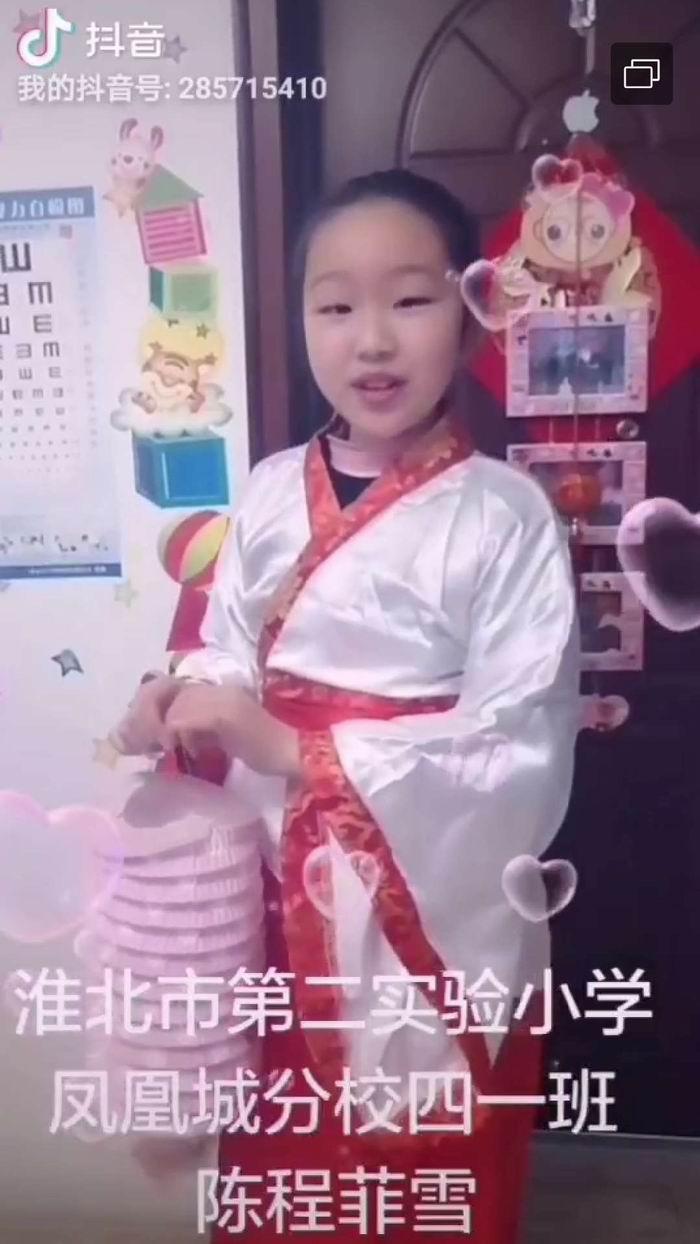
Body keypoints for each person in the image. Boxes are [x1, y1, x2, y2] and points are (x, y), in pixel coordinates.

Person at [113, 169, 580, 1242]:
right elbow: (230, 650)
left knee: (421, 1185)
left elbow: (519, 744)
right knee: (282, 1169)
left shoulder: (505, 515)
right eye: (335, 305)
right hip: (277, 901)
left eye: (410, 299)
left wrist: (297, 750)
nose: (372, 340)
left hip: (427, 908)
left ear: (468, 309)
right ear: (302, 319)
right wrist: (176, 699)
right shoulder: (272, 487)